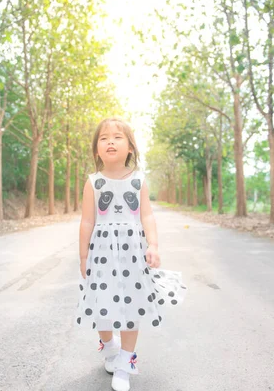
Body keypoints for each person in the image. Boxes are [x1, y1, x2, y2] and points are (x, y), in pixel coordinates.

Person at [75, 117, 187, 391]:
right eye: (103, 138)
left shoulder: (138, 181)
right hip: (101, 253)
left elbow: (146, 215)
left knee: (130, 305)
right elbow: (87, 221)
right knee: (101, 303)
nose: (110, 141)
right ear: (96, 149)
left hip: (132, 253)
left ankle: (125, 364)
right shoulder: (93, 182)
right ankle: (110, 345)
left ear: (130, 148)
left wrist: (153, 245)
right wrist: (83, 257)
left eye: (117, 137)